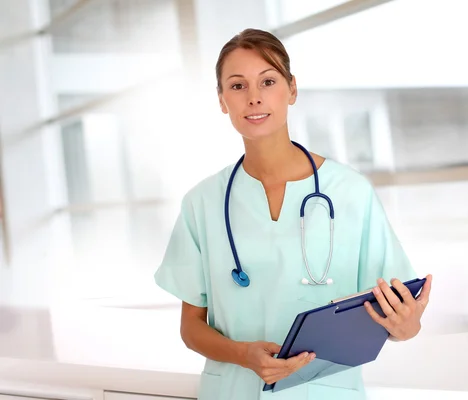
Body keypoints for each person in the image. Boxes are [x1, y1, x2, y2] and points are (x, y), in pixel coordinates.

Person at [154, 28, 432, 400]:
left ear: (292, 89)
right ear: (222, 100)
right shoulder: (201, 203)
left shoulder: (350, 192)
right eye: (237, 86)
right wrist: (243, 354)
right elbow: (191, 327)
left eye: (267, 82)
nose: (254, 98)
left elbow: (397, 316)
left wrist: (407, 325)